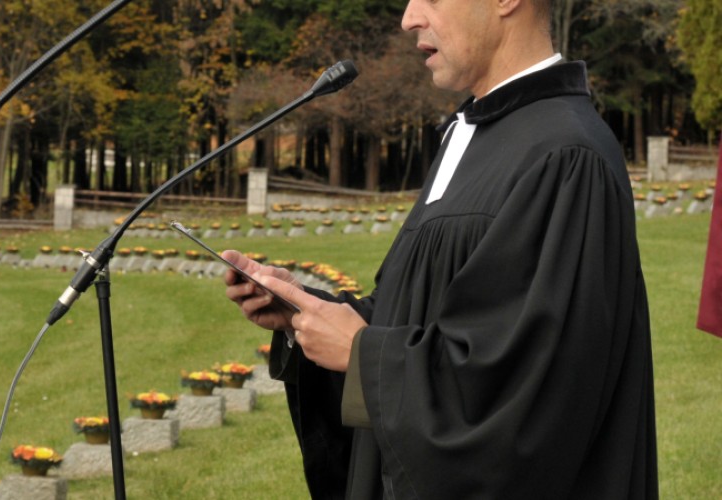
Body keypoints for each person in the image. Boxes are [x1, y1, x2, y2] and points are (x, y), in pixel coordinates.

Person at [223, 0, 659, 498]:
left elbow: (528, 400)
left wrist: (364, 357)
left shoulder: (565, 156)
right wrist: (314, 313)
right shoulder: (469, 134)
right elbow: (428, 316)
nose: (409, 18)